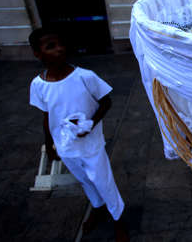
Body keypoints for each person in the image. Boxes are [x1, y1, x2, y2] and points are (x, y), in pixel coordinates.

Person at [28, 27, 129, 242]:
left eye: (60, 43)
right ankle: (98, 207)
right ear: (38, 54)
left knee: (103, 181)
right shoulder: (38, 85)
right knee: (85, 181)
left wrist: (90, 124)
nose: (60, 49)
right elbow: (47, 116)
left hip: (90, 145)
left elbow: (106, 101)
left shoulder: (85, 76)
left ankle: (119, 219)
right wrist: (50, 145)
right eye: (51, 46)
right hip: (65, 146)